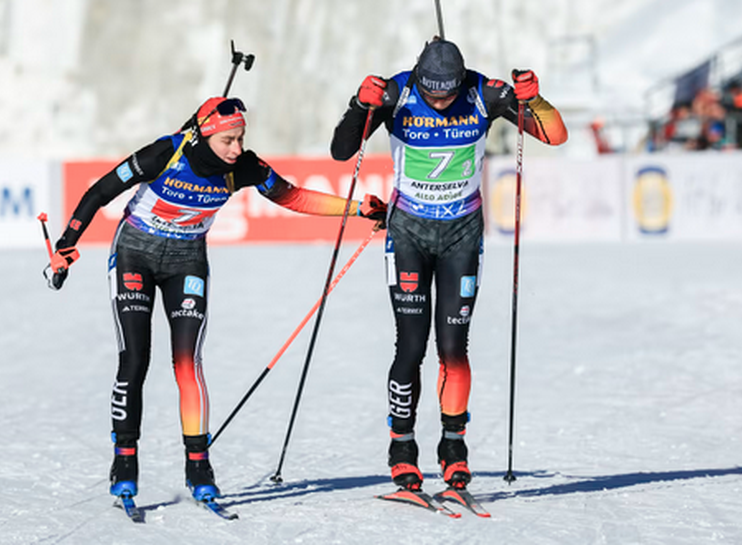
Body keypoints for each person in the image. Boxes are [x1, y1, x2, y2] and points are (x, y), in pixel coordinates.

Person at [45, 96, 386, 504]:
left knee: (188, 363)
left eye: (241, 138)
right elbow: (100, 190)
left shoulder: (244, 168)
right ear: (206, 135)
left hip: (187, 260)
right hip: (135, 251)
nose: (237, 149)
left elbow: (292, 197)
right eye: (228, 140)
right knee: (135, 358)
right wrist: (66, 245)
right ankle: (125, 458)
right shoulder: (166, 153)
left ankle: (199, 465)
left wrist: (356, 208)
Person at [330, 38, 567, 492]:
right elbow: (342, 150)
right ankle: (402, 448)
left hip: (461, 233)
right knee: (411, 347)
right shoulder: (396, 94)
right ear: (419, 78)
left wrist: (534, 98)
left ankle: (453, 447)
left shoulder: (483, 93)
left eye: (447, 95)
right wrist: (359, 107)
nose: (439, 102)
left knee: (454, 348)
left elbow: (555, 135)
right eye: (432, 94)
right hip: (409, 235)